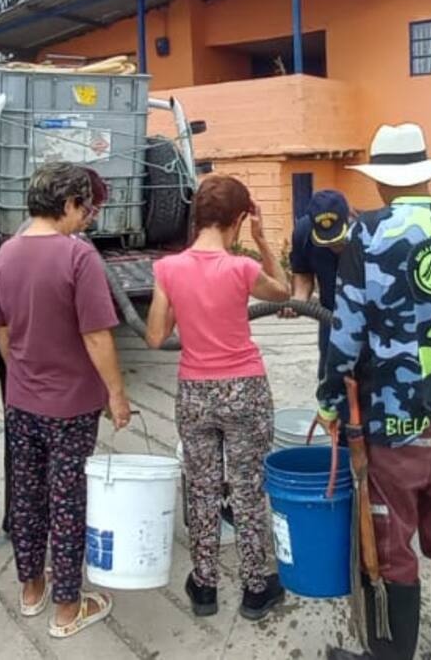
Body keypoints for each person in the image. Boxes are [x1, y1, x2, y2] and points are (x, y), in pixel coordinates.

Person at [319, 123, 431, 660]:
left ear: (383, 181)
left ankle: (390, 656)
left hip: (391, 418)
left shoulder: (367, 234)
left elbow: (345, 332)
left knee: (390, 544)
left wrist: (329, 397)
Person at [0, 162, 130, 639]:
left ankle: (32, 589)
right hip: (71, 406)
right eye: (84, 208)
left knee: (27, 497)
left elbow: (3, 330)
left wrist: (25, 376)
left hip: (21, 401)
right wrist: (116, 393)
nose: (87, 218)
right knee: (68, 502)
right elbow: (96, 337)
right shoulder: (78, 257)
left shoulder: (6, 253)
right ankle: (68, 608)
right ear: (67, 204)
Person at [146, 175, 291, 621]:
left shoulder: (168, 269)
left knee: (203, 489)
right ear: (239, 218)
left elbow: (155, 336)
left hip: (195, 392)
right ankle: (254, 588)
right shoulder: (242, 269)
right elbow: (283, 292)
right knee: (248, 489)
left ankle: (204, 586)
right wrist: (264, 242)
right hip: (244, 388)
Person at [284, 190, 352, 380]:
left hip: (368, 320)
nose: (333, 245)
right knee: (330, 383)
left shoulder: (368, 235)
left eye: (337, 238)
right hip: (329, 315)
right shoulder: (303, 233)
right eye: (326, 240)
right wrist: (298, 300)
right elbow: (303, 274)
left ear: (348, 218)